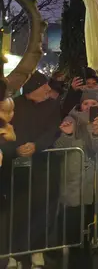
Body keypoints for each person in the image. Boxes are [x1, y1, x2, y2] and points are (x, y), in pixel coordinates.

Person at [0, 72, 60, 269]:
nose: (48, 89)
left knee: (41, 211)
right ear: (32, 89)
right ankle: (14, 253)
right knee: (17, 212)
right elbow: (6, 129)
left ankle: (37, 251)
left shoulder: (52, 106)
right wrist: (16, 148)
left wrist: (36, 146)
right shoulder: (14, 105)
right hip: (16, 169)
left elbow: (52, 131)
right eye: (44, 85)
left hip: (42, 167)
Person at [55, 88, 98, 268]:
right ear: (80, 105)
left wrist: (95, 131)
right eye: (86, 103)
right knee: (74, 224)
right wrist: (67, 135)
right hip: (74, 178)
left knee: (91, 220)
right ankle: (74, 258)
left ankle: (91, 252)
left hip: (95, 179)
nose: (89, 106)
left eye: (93, 104)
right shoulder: (70, 119)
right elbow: (58, 149)